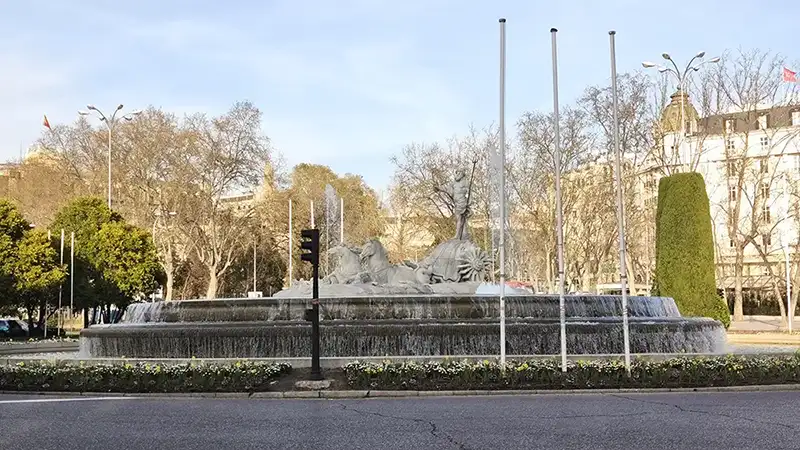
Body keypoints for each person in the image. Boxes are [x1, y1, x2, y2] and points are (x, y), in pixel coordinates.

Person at [452, 168, 470, 240]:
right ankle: (464, 234)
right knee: (461, 219)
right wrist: (439, 188)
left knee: (459, 218)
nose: (458, 174)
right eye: (457, 172)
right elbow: (448, 188)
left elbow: (469, 192)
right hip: (457, 202)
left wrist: (469, 201)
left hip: (462, 201)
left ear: (462, 173)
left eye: (459, 172)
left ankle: (457, 235)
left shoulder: (465, 182)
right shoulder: (454, 182)